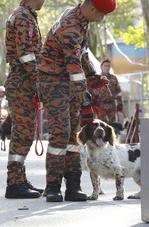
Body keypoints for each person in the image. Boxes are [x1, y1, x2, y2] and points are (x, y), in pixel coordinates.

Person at [38, 0, 117, 202]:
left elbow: (81, 54)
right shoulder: (71, 25)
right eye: (100, 14)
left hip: (68, 83)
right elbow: (73, 67)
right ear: (91, 8)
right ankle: (53, 186)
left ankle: (73, 185)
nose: (101, 18)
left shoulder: (82, 22)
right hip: (54, 83)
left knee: (74, 137)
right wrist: (84, 97)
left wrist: (93, 75)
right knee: (60, 134)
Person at [4, 0, 46, 199]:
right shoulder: (22, 16)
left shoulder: (26, 15)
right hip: (22, 81)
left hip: (23, 80)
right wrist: (38, 81)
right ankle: (14, 183)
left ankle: (19, 178)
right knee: (22, 132)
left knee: (25, 132)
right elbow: (26, 54)